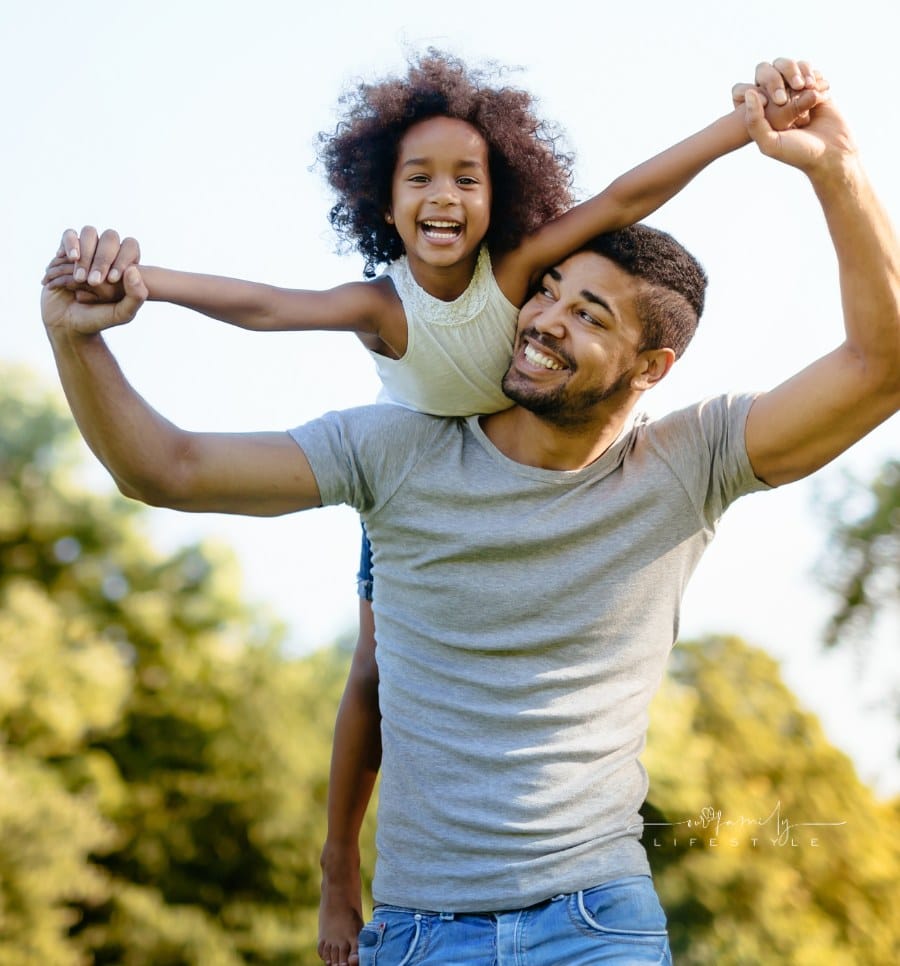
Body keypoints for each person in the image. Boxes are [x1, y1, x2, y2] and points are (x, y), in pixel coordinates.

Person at [42, 70, 900, 963]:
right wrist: (76, 337)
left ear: (653, 367)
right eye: (550, 289)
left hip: (596, 924)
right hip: (418, 933)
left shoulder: (692, 461)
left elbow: (882, 364)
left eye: (587, 313)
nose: (542, 319)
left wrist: (836, 167)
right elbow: (164, 468)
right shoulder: (398, 450)